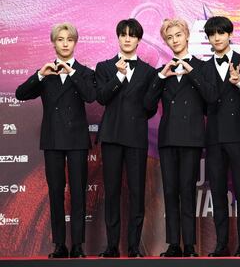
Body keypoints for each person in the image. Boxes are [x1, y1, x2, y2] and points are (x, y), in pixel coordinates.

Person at [15, 22, 96, 258]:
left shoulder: (84, 72)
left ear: (75, 43)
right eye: (60, 39)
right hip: (52, 141)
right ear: (53, 43)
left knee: (79, 192)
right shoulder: (46, 73)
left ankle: (78, 245)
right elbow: (21, 93)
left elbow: (91, 96)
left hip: (78, 141)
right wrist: (40, 74)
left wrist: (71, 73)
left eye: (69, 40)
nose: (65, 44)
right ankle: (59, 245)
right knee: (56, 192)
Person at [144, 18, 216, 257]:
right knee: (170, 191)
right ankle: (173, 244)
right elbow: (147, 106)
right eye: (170, 37)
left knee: (187, 191)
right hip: (167, 139)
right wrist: (160, 78)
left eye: (178, 35)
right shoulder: (161, 72)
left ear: (186, 36)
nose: (175, 40)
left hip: (192, 139)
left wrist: (192, 73)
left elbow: (211, 98)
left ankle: (190, 246)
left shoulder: (203, 67)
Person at [95, 18, 156, 258]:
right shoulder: (104, 67)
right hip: (111, 136)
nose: (127, 39)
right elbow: (101, 97)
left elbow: (149, 108)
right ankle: (112, 246)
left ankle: (133, 247)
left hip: (136, 138)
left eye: (132, 35)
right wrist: (119, 77)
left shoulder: (149, 72)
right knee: (111, 192)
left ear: (139, 40)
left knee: (137, 193)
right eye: (123, 35)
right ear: (118, 38)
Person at [201, 16, 240, 257]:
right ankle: (221, 244)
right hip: (213, 139)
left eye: (221, 33)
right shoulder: (202, 68)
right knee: (218, 193)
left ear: (230, 34)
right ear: (209, 39)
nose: (217, 38)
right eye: (212, 34)